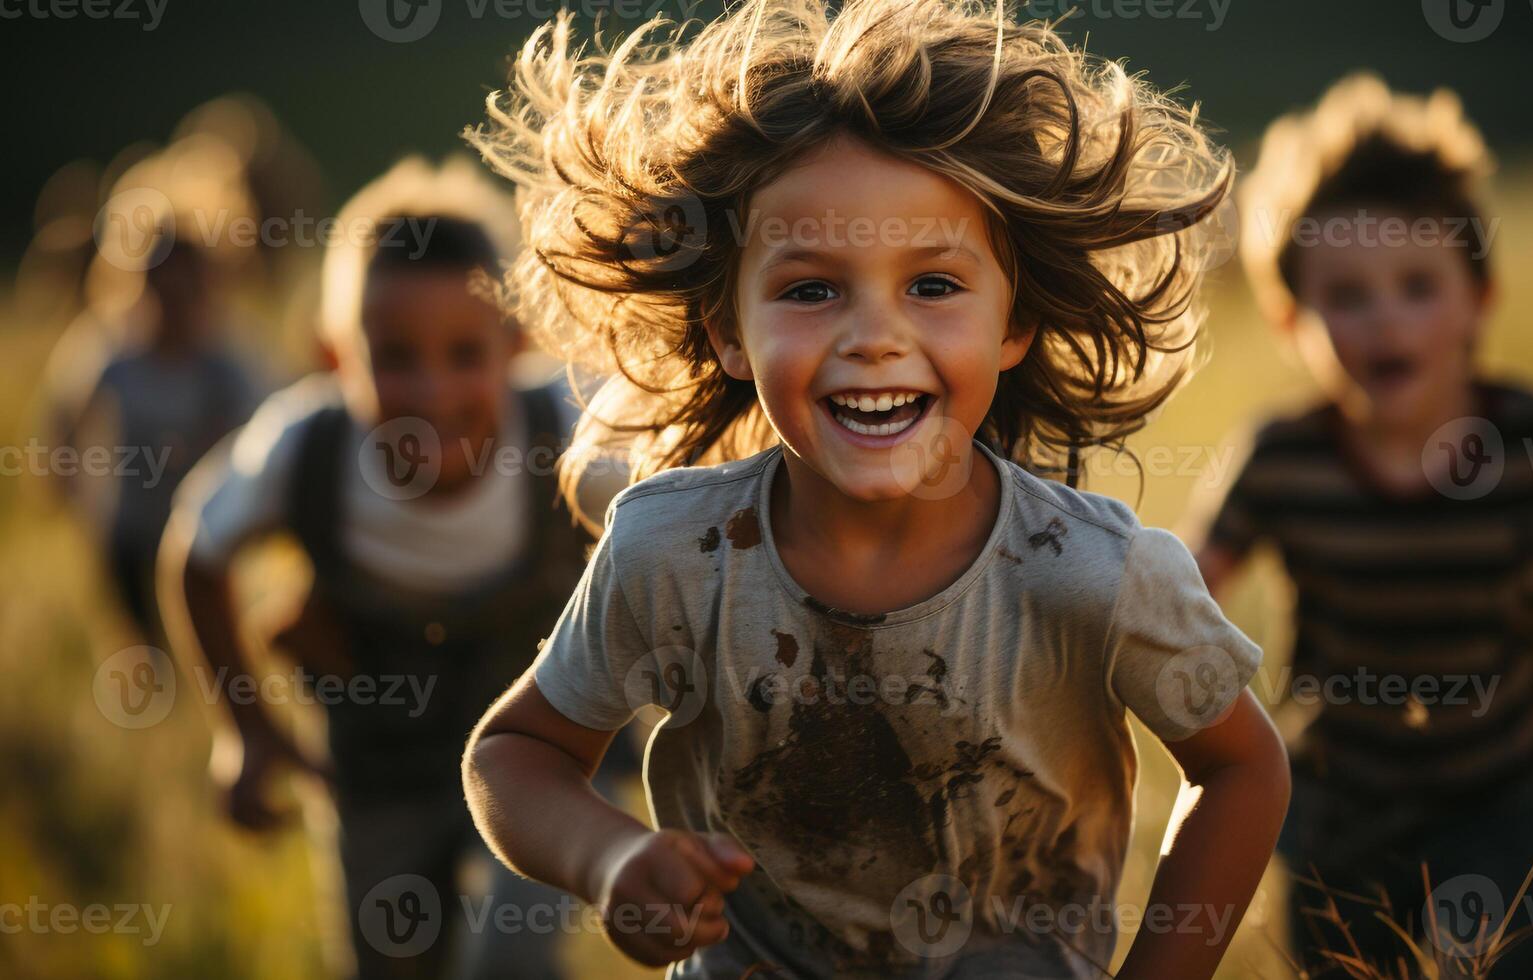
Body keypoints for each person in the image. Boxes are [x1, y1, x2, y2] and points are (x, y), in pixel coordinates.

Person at [461, 3, 1291, 978]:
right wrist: (608, 857)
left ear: (1011, 323)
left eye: (932, 286)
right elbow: (513, 752)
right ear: (730, 331)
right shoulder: (671, 553)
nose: (873, 336)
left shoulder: (1093, 573)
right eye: (810, 289)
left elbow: (1240, 766)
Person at [1192, 74, 1533, 977]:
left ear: (1479, 296)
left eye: (1416, 286)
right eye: (1345, 297)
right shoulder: (1280, 459)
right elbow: (1191, 581)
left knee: (1482, 964)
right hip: (1334, 798)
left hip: (1502, 786)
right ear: (1289, 318)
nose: (1384, 317)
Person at [159, 157, 638, 979]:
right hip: (376, 770)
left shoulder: (569, 433)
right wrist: (247, 731)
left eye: (464, 353)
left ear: (517, 344)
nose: (432, 388)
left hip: (546, 763)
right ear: (334, 354)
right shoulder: (303, 447)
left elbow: (676, 523)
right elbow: (196, 556)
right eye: (394, 356)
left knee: (511, 964)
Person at [43, 147, 265, 646]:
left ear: (210, 285)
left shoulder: (225, 360)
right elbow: (64, 413)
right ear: (135, 284)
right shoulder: (112, 351)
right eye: (159, 288)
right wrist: (61, 471)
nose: (173, 305)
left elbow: (266, 421)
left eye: (188, 290)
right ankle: (152, 689)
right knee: (141, 635)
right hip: (125, 529)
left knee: (201, 631)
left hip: (200, 529)